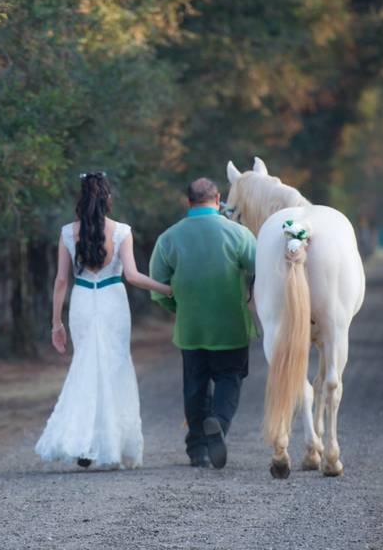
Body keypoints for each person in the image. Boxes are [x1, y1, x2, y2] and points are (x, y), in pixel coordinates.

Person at [35, 172, 173, 469]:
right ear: (107, 199)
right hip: (113, 301)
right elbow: (133, 276)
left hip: (83, 301)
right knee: (114, 368)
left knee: (86, 365)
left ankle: (85, 443)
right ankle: (108, 443)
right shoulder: (122, 231)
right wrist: (167, 288)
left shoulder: (66, 233)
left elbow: (61, 280)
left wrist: (56, 323)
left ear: (81, 200)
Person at [149, 177, 257, 469]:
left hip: (191, 328)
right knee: (229, 378)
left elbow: (156, 286)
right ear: (219, 198)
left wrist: (179, 307)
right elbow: (260, 270)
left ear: (188, 202)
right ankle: (218, 424)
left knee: (195, 387)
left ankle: (197, 450)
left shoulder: (169, 238)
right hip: (231, 326)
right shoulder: (239, 234)